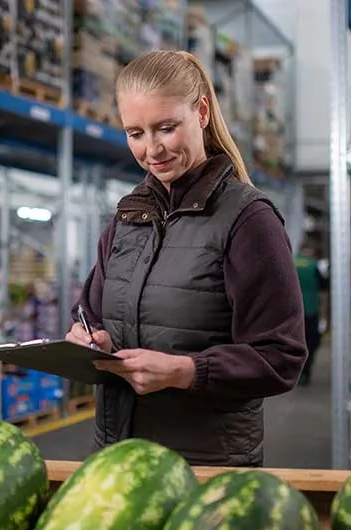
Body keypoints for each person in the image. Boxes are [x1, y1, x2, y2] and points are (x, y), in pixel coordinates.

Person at [66, 50, 307, 467]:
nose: (151, 149)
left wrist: (186, 370)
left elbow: (281, 356)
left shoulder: (248, 219)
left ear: (201, 113)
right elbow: (91, 312)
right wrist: (89, 338)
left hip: (204, 465)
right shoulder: (128, 216)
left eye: (165, 128)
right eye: (135, 133)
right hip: (116, 460)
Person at [294, 243, 321, 386]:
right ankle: (305, 372)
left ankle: (294, 372)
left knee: (294, 342)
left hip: (292, 312)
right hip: (311, 309)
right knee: (311, 342)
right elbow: (324, 287)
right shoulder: (313, 265)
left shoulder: (291, 261)